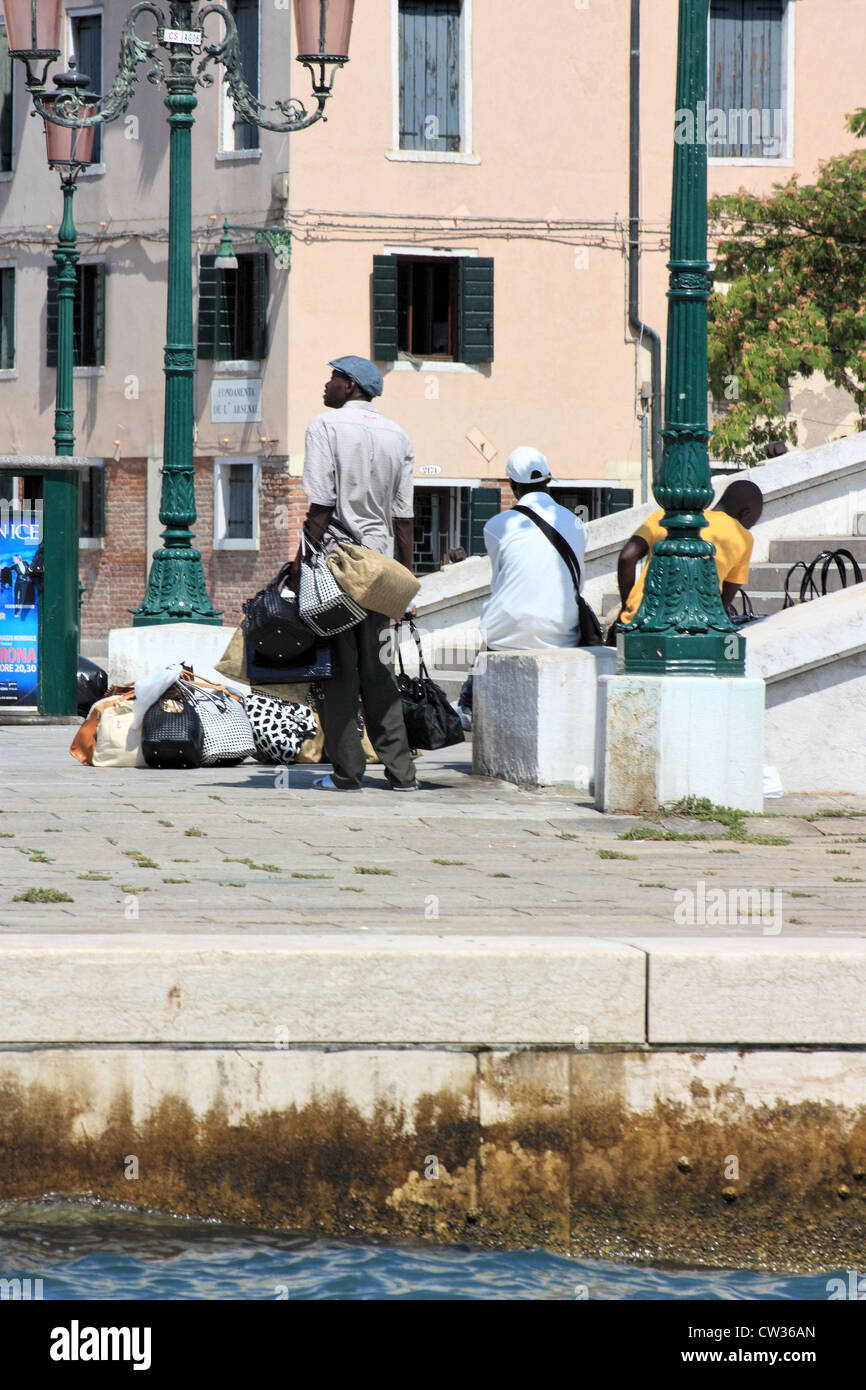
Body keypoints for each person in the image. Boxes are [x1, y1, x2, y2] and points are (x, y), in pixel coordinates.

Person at [296, 355, 420, 792]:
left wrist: (298, 567)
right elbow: (404, 519)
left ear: (349, 386)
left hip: (337, 567)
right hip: (383, 570)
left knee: (338, 672)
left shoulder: (324, 427)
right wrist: (405, 584)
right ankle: (402, 774)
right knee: (380, 672)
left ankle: (347, 773)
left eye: (332, 378)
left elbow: (321, 507)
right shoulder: (398, 435)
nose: (326, 385)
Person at [480, 446, 588, 649]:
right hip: (562, 636)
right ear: (547, 480)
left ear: (512, 485)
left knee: (476, 672)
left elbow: (499, 582)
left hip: (504, 634)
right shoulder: (577, 524)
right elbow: (579, 585)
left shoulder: (496, 526)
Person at [616, 479, 764, 627]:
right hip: (693, 625)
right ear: (745, 514)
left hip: (639, 619)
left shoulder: (665, 515)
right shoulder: (743, 537)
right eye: (752, 523)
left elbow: (626, 557)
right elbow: (722, 602)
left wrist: (626, 610)